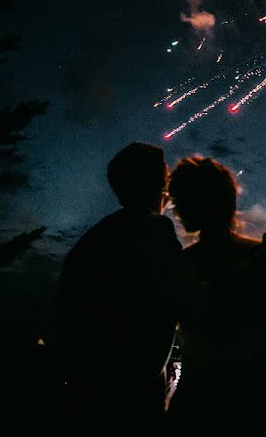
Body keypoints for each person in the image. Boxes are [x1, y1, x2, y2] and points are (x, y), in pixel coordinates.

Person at [166, 157, 266, 436]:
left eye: (178, 200)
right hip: (256, 406)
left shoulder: (179, 265)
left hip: (198, 406)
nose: (176, 210)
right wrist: (262, 331)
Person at [56, 142, 182, 430]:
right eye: (164, 179)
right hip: (131, 389)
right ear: (158, 184)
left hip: (84, 383)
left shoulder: (92, 238)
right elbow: (177, 299)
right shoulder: (154, 228)